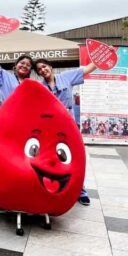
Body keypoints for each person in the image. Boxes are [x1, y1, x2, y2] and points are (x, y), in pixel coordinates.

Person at [34, 58, 97, 206]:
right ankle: (54, 189)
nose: (43, 70)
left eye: (44, 66)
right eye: (39, 70)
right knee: (53, 158)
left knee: (74, 157)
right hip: (51, 127)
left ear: (50, 66)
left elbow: (87, 69)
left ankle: (81, 192)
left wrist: (103, 58)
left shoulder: (66, 76)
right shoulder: (41, 87)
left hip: (69, 125)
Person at [0, 34, 34, 103]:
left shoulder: (31, 84)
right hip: (8, 113)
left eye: (28, 65)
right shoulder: (5, 76)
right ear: (16, 65)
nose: (25, 66)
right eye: (22, 63)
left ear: (30, 70)